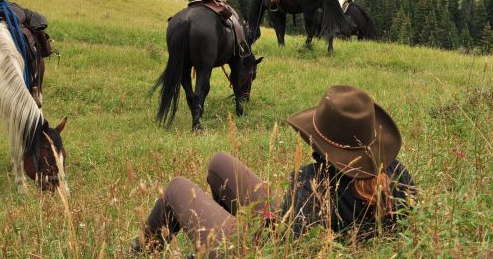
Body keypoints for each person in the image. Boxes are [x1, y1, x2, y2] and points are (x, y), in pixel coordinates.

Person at [131, 85, 416, 257]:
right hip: (290, 232)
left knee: (176, 189)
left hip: (261, 250)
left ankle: (139, 255)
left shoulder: (310, 184)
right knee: (220, 163)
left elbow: (287, 246)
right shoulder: (396, 172)